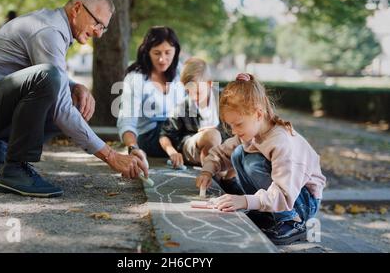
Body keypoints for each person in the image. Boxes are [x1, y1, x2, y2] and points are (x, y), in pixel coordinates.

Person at [0, 0, 148, 198]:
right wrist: (111, 156)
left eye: (103, 28)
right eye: (97, 22)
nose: (98, 32)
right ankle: (14, 169)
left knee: (73, 97)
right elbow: (57, 101)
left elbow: (54, 82)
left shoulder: (54, 26)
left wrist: (75, 86)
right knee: (50, 81)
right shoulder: (49, 31)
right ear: (77, 8)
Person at [196, 73, 326, 245]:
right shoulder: (251, 133)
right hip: (283, 196)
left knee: (252, 163)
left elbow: (284, 193)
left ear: (258, 114)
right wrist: (207, 171)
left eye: (239, 124)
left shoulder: (281, 142)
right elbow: (222, 152)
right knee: (238, 154)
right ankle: (267, 214)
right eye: (230, 125)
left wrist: (244, 200)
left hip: (301, 201)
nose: (234, 131)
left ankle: (291, 222)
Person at [117, 26, 185, 161]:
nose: (162, 59)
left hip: (177, 130)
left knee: (210, 137)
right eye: (157, 53)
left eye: (167, 52)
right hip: (150, 136)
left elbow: (200, 96)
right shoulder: (135, 77)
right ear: (147, 52)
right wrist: (132, 147)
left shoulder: (179, 71)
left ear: (175, 51)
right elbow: (127, 120)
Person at [159, 57, 224, 167]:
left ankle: (217, 173)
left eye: (198, 92)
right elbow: (164, 135)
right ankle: (213, 174)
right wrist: (173, 152)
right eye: (188, 91)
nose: (193, 97)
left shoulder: (226, 99)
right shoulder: (183, 106)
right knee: (212, 136)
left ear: (209, 83)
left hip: (223, 150)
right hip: (193, 147)